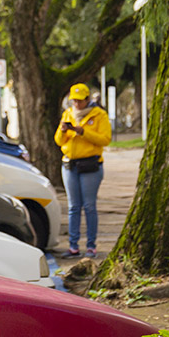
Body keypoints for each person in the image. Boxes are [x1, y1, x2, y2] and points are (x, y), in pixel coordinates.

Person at [55, 82, 112, 258]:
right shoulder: (68, 114)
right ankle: (73, 246)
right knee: (73, 207)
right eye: (74, 101)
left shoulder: (99, 115)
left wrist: (83, 132)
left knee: (89, 206)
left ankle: (91, 246)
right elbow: (59, 141)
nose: (77, 104)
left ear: (87, 99)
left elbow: (105, 139)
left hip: (90, 166)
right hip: (70, 165)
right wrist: (64, 131)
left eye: (80, 101)